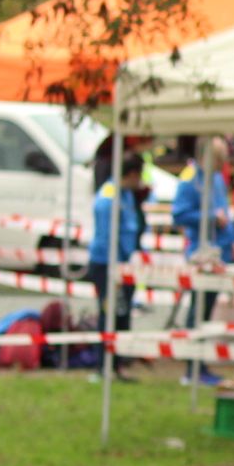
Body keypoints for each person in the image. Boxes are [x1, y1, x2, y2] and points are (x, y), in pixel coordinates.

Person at [172, 137, 233, 384]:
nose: (222, 165)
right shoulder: (189, 181)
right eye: (219, 160)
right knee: (196, 310)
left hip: (219, 251)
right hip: (199, 253)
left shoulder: (216, 179)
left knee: (207, 311)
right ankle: (191, 367)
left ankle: (201, 364)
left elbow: (225, 211)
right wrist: (208, 217)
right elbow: (179, 214)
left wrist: (233, 239)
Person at [88, 152, 149, 378]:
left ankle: (117, 365)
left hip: (123, 264)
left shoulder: (125, 195)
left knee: (122, 315)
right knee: (109, 314)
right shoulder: (109, 198)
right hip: (106, 265)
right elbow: (106, 237)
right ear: (131, 174)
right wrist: (114, 272)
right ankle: (102, 367)